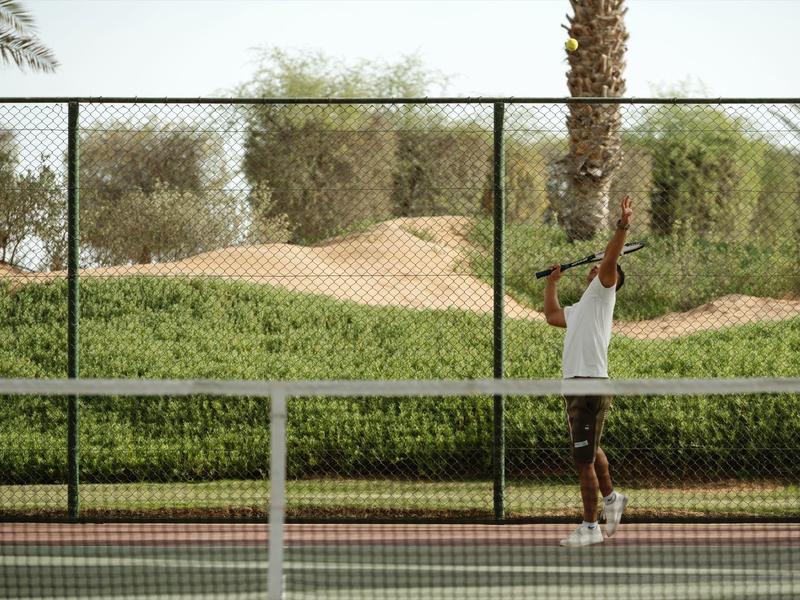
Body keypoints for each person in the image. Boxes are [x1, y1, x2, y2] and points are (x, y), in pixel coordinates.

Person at [543, 195, 632, 547]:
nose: (597, 268)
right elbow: (552, 316)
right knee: (591, 450)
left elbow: (611, 257)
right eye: (596, 267)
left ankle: (590, 527)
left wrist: (622, 226)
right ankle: (613, 500)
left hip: (590, 386)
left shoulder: (603, 294)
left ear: (610, 278)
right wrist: (552, 283)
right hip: (575, 386)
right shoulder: (582, 308)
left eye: (605, 268)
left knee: (582, 459)